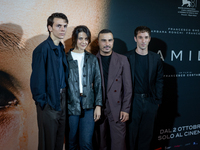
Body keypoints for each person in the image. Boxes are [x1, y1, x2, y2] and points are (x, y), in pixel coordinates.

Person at [30, 12, 69, 150]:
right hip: (48, 102)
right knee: (48, 143)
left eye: (65, 26)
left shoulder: (60, 47)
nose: (63, 29)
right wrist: (43, 102)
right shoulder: (42, 50)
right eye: (59, 26)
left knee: (59, 141)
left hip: (62, 99)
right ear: (49, 28)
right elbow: (37, 81)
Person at [125, 26, 163, 150]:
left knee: (146, 137)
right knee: (130, 136)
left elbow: (159, 80)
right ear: (135, 38)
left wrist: (156, 101)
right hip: (133, 102)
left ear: (149, 39)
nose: (143, 41)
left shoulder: (155, 58)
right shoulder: (127, 57)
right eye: (140, 37)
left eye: (146, 37)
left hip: (150, 102)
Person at [95, 29, 132, 150]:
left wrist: (126, 109)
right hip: (98, 108)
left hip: (117, 108)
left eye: (110, 40)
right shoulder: (92, 60)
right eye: (104, 40)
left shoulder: (122, 59)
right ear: (98, 42)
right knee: (101, 142)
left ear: (113, 42)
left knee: (119, 144)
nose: (107, 43)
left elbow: (128, 87)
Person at [66, 25, 102, 150]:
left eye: (86, 39)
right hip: (70, 105)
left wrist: (98, 105)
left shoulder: (92, 59)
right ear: (74, 39)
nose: (84, 42)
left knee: (86, 143)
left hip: (89, 105)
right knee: (71, 142)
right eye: (80, 38)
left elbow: (98, 83)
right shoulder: (65, 58)